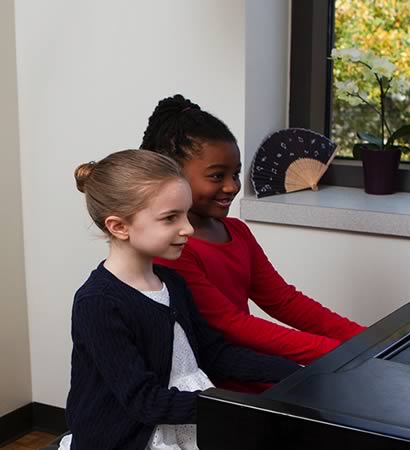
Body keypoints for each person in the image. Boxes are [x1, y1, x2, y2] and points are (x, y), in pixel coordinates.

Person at [63, 149, 299, 450]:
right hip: (130, 438)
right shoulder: (98, 303)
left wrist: (293, 373)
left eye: (185, 214)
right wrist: (234, 409)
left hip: (184, 420)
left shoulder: (172, 282)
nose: (187, 228)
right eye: (170, 218)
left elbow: (215, 353)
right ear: (119, 226)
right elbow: (145, 401)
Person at [140, 95, 366, 380]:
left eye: (235, 174)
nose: (232, 186)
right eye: (216, 176)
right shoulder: (172, 249)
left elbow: (284, 301)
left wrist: (362, 339)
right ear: (171, 173)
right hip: (211, 378)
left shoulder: (238, 231)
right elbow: (232, 325)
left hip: (248, 366)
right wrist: (338, 354)